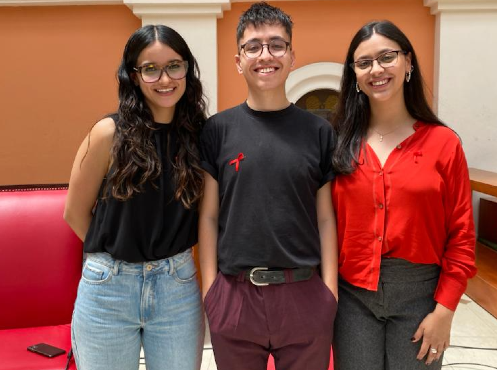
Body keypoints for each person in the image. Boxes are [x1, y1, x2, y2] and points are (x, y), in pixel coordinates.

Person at [198, 2, 338, 370]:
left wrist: (329, 293)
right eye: (253, 46)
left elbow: (325, 219)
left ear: (292, 56)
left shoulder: (319, 132)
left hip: (305, 294)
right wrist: (211, 291)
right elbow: (209, 216)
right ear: (238, 59)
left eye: (277, 45)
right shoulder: (217, 130)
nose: (266, 55)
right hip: (234, 296)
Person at [331, 20, 477, 370]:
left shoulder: (443, 144)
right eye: (363, 63)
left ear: (408, 63)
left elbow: (462, 235)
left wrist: (445, 311)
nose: (376, 70)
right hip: (352, 297)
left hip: (420, 296)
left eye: (387, 57)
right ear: (354, 76)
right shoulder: (336, 144)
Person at [63, 24, 207, 370]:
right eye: (150, 69)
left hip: (177, 286)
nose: (164, 79)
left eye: (174, 65)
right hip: (108, 289)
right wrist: (115, 260)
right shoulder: (108, 133)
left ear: (187, 69)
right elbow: (75, 212)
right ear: (133, 75)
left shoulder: (201, 136)